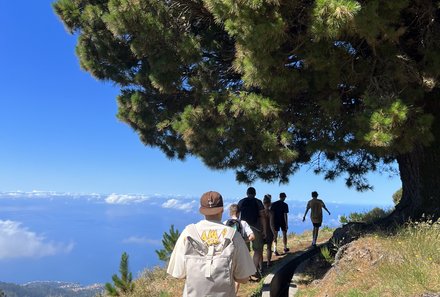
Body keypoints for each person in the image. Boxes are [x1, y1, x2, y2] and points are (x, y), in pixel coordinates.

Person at [167, 191, 256, 296]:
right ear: (222, 210)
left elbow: (178, 273)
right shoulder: (233, 236)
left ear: (202, 211)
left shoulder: (188, 233)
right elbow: (243, 278)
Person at [223, 204, 255, 294]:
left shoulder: (225, 223)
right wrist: (244, 241)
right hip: (239, 251)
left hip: (227, 250)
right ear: (239, 213)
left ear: (230, 212)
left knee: (228, 273)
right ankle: (234, 294)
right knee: (237, 275)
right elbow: (252, 236)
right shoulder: (243, 223)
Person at [238, 187, 267, 278]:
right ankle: (254, 270)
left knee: (245, 251)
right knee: (257, 250)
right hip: (256, 228)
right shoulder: (258, 202)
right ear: (255, 193)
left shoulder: (241, 202)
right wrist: (265, 230)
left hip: (243, 228)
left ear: (247, 193)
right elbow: (262, 217)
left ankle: (246, 271)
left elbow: (237, 216)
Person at [262, 194, 275, 269]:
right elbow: (271, 224)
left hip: (261, 232)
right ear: (270, 203)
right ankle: (268, 262)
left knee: (260, 249)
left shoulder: (260, 212)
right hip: (269, 232)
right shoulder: (271, 213)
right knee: (269, 247)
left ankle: (260, 265)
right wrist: (275, 234)